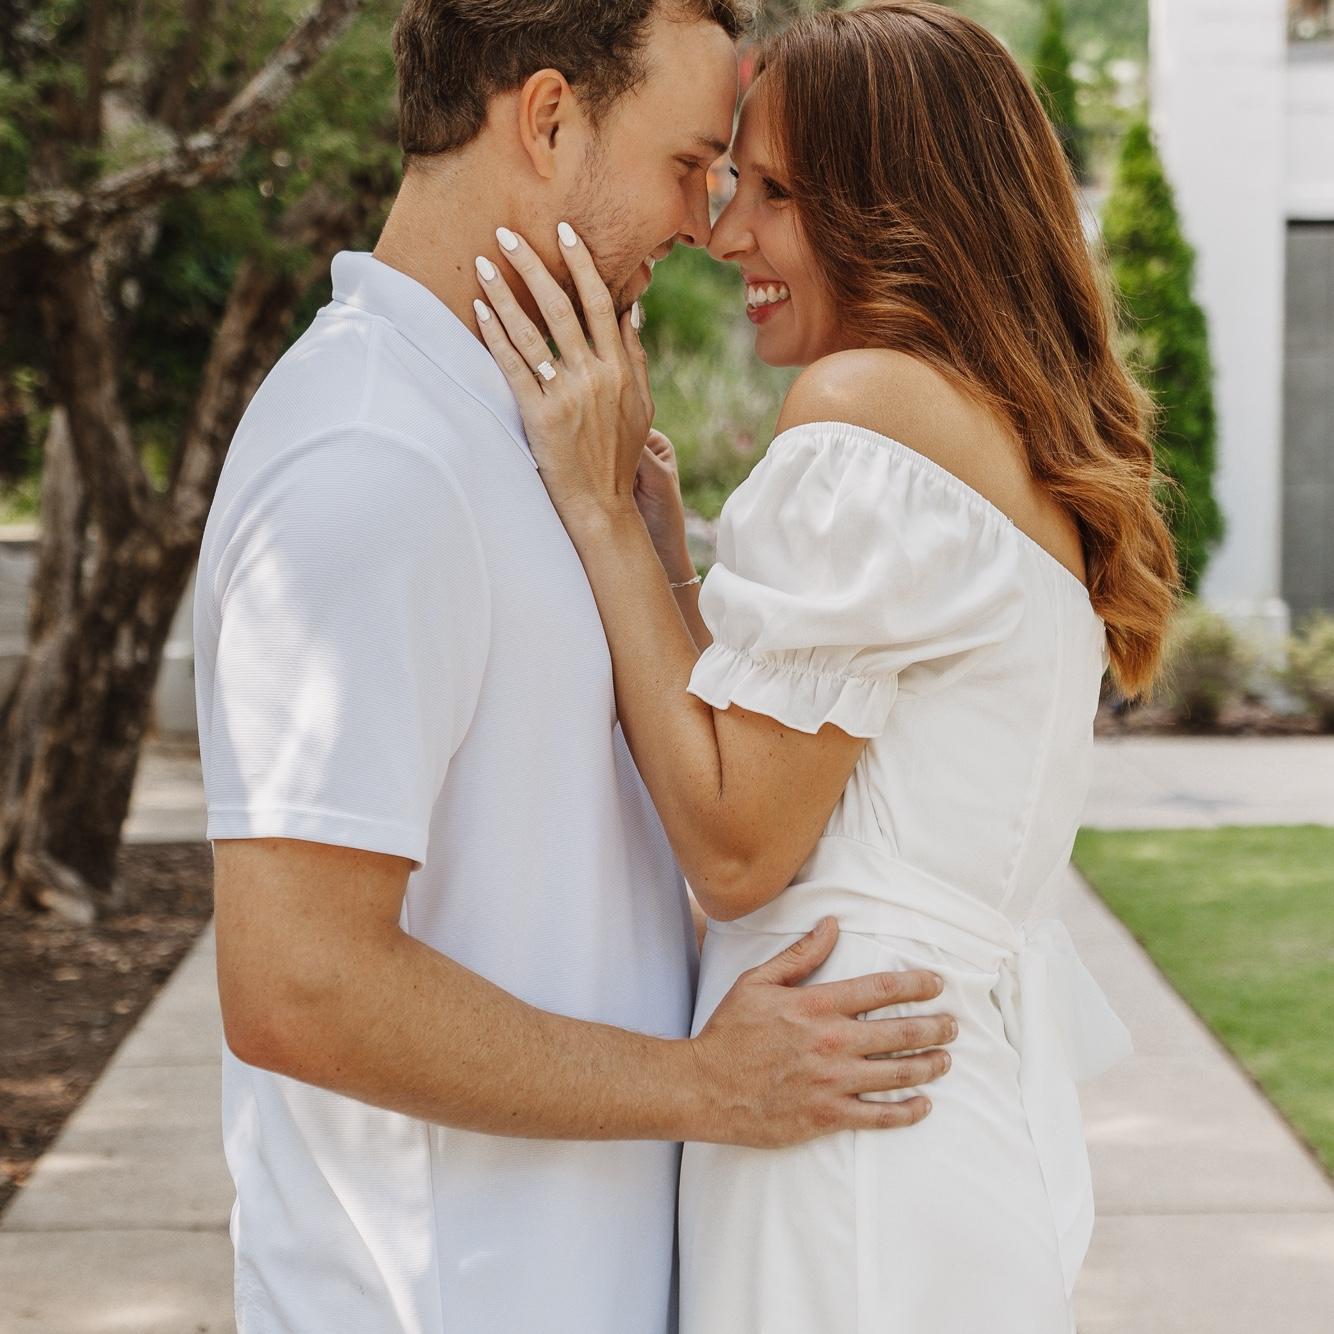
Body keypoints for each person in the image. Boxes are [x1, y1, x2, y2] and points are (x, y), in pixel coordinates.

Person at [195, 2, 959, 1330]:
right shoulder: (369, 459)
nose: (706, 223)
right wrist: (706, 1084)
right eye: (690, 164)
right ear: (548, 120)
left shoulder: (516, 431)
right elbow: (297, 985)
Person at [472, 2, 1182, 1330]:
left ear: (901, 210)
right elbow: (789, 767)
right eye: (730, 181)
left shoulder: (867, 406)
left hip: (848, 1132)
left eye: (777, 193)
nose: (726, 232)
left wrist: (597, 511)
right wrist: (664, 551)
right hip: (912, 1104)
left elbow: (739, 848)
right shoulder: (992, 430)